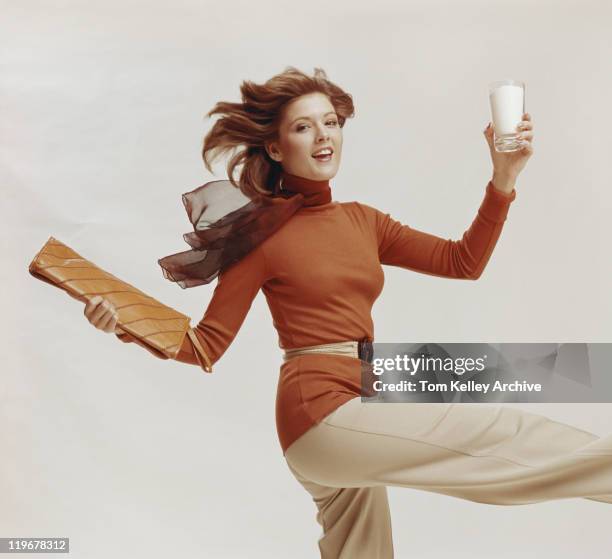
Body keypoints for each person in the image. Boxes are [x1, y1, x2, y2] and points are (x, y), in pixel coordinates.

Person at [83, 67, 612, 559]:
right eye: (304, 127)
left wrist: (502, 181)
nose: (323, 136)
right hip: (320, 413)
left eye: (331, 123)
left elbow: (462, 261)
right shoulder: (261, 236)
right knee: (499, 433)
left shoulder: (364, 221)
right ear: (276, 145)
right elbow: (205, 344)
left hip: (362, 399)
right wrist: (120, 322)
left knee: (364, 548)